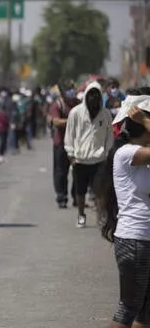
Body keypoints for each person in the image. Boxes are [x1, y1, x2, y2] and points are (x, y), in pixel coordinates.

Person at [97, 103, 150, 328]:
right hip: (135, 238)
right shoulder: (127, 153)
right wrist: (145, 120)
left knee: (146, 308)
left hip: (144, 237)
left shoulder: (143, 159)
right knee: (129, 305)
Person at [64, 81, 113, 228]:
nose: (93, 98)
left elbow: (109, 136)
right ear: (86, 96)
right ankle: (81, 215)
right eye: (90, 94)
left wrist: (106, 154)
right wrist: (71, 155)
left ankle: (101, 216)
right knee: (80, 191)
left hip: (99, 160)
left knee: (100, 191)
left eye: (96, 95)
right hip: (80, 160)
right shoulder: (76, 113)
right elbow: (70, 134)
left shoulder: (106, 115)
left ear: (100, 97)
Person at [49, 85, 80, 209]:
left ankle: (77, 197)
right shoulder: (58, 105)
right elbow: (56, 122)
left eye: (73, 88)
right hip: (61, 143)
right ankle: (61, 197)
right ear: (62, 93)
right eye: (68, 89)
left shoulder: (79, 104)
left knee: (78, 171)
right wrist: (73, 120)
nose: (72, 92)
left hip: (77, 143)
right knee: (61, 172)